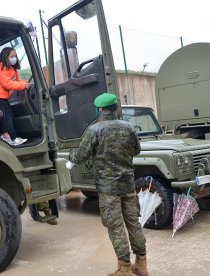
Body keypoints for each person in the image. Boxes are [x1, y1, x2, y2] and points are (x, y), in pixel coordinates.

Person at [67, 92, 148, 276]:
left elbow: (81, 156)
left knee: (116, 227)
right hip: (128, 184)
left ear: (100, 109)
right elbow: (136, 150)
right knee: (134, 224)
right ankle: (141, 266)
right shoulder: (128, 127)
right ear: (114, 108)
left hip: (108, 188)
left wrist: (71, 157)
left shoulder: (94, 130)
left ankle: (125, 269)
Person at [0, 47, 29, 146]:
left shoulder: (12, 68)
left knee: (7, 116)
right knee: (8, 117)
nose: (14, 58)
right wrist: (24, 85)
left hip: (3, 96)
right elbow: (7, 84)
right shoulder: (3, 67)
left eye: (15, 56)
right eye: (11, 56)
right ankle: (14, 139)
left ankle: (7, 136)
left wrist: (27, 83)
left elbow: (17, 81)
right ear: (5, 57)